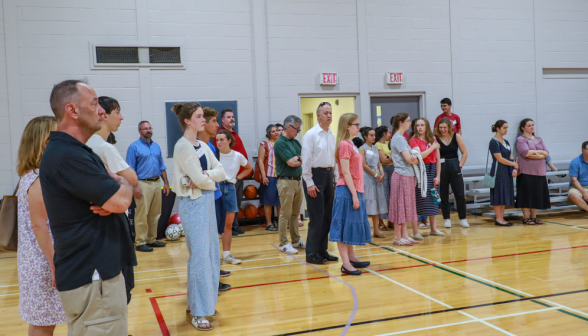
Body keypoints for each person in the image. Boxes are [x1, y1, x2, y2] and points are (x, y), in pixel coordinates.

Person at [41, 80, 136, 335]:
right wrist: (121, 183)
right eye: (94, 104)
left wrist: (118, 186)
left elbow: (116, 198)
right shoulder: (67, 156)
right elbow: (121, 200)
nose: (101, 111)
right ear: (72, 110)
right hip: (93, 279)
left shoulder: (76, 151)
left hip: (97, 279)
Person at [171, 102, 225, 331]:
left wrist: (205, 176)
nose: (204, 120)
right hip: (193, 204)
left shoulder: (203, 145)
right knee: (200, 257)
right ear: (187, 120)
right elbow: (204, 180)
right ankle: (199, 313)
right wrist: (207, 179)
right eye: (200, 116)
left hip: (206, 202)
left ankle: (197, 304)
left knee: (211, 254)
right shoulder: (183, 147)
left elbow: (220, 172)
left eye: (203, 116)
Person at [16, 116, 66, 336]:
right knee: (43, 323)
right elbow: (39, 226)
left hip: (39, 257)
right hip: (43, 259)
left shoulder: (32, 176)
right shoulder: (37, 178)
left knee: (44, 319)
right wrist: (55, 263)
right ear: (44, 142)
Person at [87, 96, 138, 305]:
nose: (122, 117)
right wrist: (122, 179)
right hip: (113, 217)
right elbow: (133, 178)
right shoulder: (104, 148)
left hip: (94, 221)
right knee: (122, 283)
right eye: (118, 112)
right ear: (104, 115)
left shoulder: (87, 143)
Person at [330, 113, 371, 275]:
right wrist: (354, 194)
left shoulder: (351, 144)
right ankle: (346, 263)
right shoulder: (344, 145)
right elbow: (345, 173)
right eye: (356, 124)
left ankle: (352, 257)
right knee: (343, 227)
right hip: (347, 190)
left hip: (354, 189)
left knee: (350, 226)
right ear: (347, 126)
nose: (359, 127)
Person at [301, 102, 339, 264]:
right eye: (325, 113)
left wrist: (336, 178)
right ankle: (311, 253)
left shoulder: (330, 134)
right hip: (315, 176)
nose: (329, 115)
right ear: (318, 116)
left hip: (328, 175)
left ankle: (323, 251)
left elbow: (334, 159)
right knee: (317, 218)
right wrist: (309, 182)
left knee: (327, 217)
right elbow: (306, 161)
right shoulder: (311, 135)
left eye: (330, 112)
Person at [198, 107, 232, 288]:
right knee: (206, 241)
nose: (218, 125)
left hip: (216, 195)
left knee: (214, 237)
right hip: (205, 198)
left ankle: (214, 271)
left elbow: (218, 173)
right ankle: (210, 280)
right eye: (214, 121)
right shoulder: (195, 147)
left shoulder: (210, 146)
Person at [126, 120, 170, 252]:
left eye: (150, 128)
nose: (148, 131)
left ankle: (151, 239)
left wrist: (166, 183)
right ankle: (140, 242)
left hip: (156, 182)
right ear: (139, 131)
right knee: (142, 214)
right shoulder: (134, 147)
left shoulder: (156, 146)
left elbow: (162, 166)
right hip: (142, 183)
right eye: (145, 129)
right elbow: (130, 169)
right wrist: (135, 187)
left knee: (155, 213)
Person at [217, 129, 253, 265]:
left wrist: (237, 178)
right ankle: (213, 256)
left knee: (228, 224)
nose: (219, 142)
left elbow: (249, 168)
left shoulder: (237, 155)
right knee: (214, 223)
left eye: (221, 139)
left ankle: (227, 255)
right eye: (217, 140)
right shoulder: (214, 154)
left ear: (229, 141)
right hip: (216, 188)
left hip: (230, 188)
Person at [273, 115, 306, 254]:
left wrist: (298, 158)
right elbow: (291, 162)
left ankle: (296, 240)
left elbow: (304, 158)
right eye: (297, 129)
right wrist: (299, 159)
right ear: (288, 127)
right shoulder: (280, 143)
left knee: (295, 214)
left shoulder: (296, 143)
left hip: (298, 180)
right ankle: (283, 243)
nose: (298, 132)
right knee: (285, 214)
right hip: (286, 181)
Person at [213, 108, 248, 236]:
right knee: (226, 205)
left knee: (236, 202)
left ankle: (235, 225)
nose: (232, 119)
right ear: (222, 120)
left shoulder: (234, 133)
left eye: (232, 116)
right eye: (228, 117)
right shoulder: (221, 135)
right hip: (226, 177)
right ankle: (227, 227)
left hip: (238, 175)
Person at [409, 118, 446, 237]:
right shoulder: (414, 140)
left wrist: (438, 176)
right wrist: (433, 147)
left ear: (427, 127)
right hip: (420, 171)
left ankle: (434, 229)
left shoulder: (433, 140)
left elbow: (437, 160)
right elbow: (420, 156)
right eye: (417, 125)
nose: (419, 127)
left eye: (422, 125)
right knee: (418, 201)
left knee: (433, 199)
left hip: (432, 170)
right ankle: (415, 231)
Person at [388, 113, 421, 246]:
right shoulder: (399, 139)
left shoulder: (401, 138)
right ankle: (397, 237)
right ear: (401, 123)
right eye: (408, 121)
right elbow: (409, 159)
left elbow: (413, 158)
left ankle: (405, 235)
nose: (410, 123)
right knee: (400, 206)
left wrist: (416, 157)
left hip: (407, 176)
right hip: (401, 176)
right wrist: (416, 157)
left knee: (407, 206)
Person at [515, 118, 551, 224]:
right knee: (526, 195)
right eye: (529, 125)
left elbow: (547, 153)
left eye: (533, 125)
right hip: (526, 171)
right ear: (523, 128)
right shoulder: (520, 139)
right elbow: (526, 153)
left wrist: (536, 153)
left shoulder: (539, 139)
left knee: (536, 194)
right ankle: (526, 217)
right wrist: (540, 153)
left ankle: (534, 216)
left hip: (540, 171)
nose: (532, 127)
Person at [435, 118, 469, 228]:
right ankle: (447, 218)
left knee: (460, 194)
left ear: (449, 127)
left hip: (455, 167)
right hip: (442, 168)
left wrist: (460, 166)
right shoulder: (435, 138)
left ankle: (463, 218)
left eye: (444, 127)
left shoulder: (456, 136)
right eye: (440, 127)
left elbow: (464, 153)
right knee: (443, 194)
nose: (442, 129)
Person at [359, 126, 387, 239]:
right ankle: (364, 231)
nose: (374, 137)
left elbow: (379, 163)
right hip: (368, 178)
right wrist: (375, 175)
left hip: (377, 179)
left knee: (376, 204)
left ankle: (376, 230)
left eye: (374, 135)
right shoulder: (362, 148)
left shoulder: (375, 148)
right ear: (365, 137)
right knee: (366, 205)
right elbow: (363, 165)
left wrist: (382, 173)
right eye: (371, 135)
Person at [488, 120, 518, 226]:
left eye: (507, 128)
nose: (506, 130)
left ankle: (502, 218)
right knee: (498, 194)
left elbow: (510, 156)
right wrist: (513, 164)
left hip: (506, 170)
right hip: (498, 170)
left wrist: (514, 168)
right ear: (498, 128)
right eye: (504, 128)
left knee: (504, 194)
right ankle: (498, 218)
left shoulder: (506, 142)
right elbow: (499, 159)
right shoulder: (493, 142)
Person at [258, 124, 281, 231]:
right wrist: (263, 175)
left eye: (277, 130)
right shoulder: (264, 145)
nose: (276, 132)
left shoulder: (282, 143)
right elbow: (260, 161)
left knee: (280, 202)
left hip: (281, 176)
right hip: (269, 176)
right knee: (268, 201)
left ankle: (281, 223)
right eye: (273, 131)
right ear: (268, 134)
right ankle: (269, 223)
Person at [375, 126, 394, 231]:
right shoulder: (377, 145)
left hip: (392, 170)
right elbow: (383, 159)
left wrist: (390, 158)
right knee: (383, 195)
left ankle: (391, 221)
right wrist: (391, 158)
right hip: (383, 170)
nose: (389, 134)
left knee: (392, 195)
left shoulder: (389, 143)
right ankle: (381, 222)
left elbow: (391, 157)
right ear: (383, 134)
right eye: (388, 132)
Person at [568, 141, 588, 212]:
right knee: (574, 196)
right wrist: (584, 192)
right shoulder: (575, 162)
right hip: (577, 187)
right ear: (583, 150)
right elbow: (574, 180)